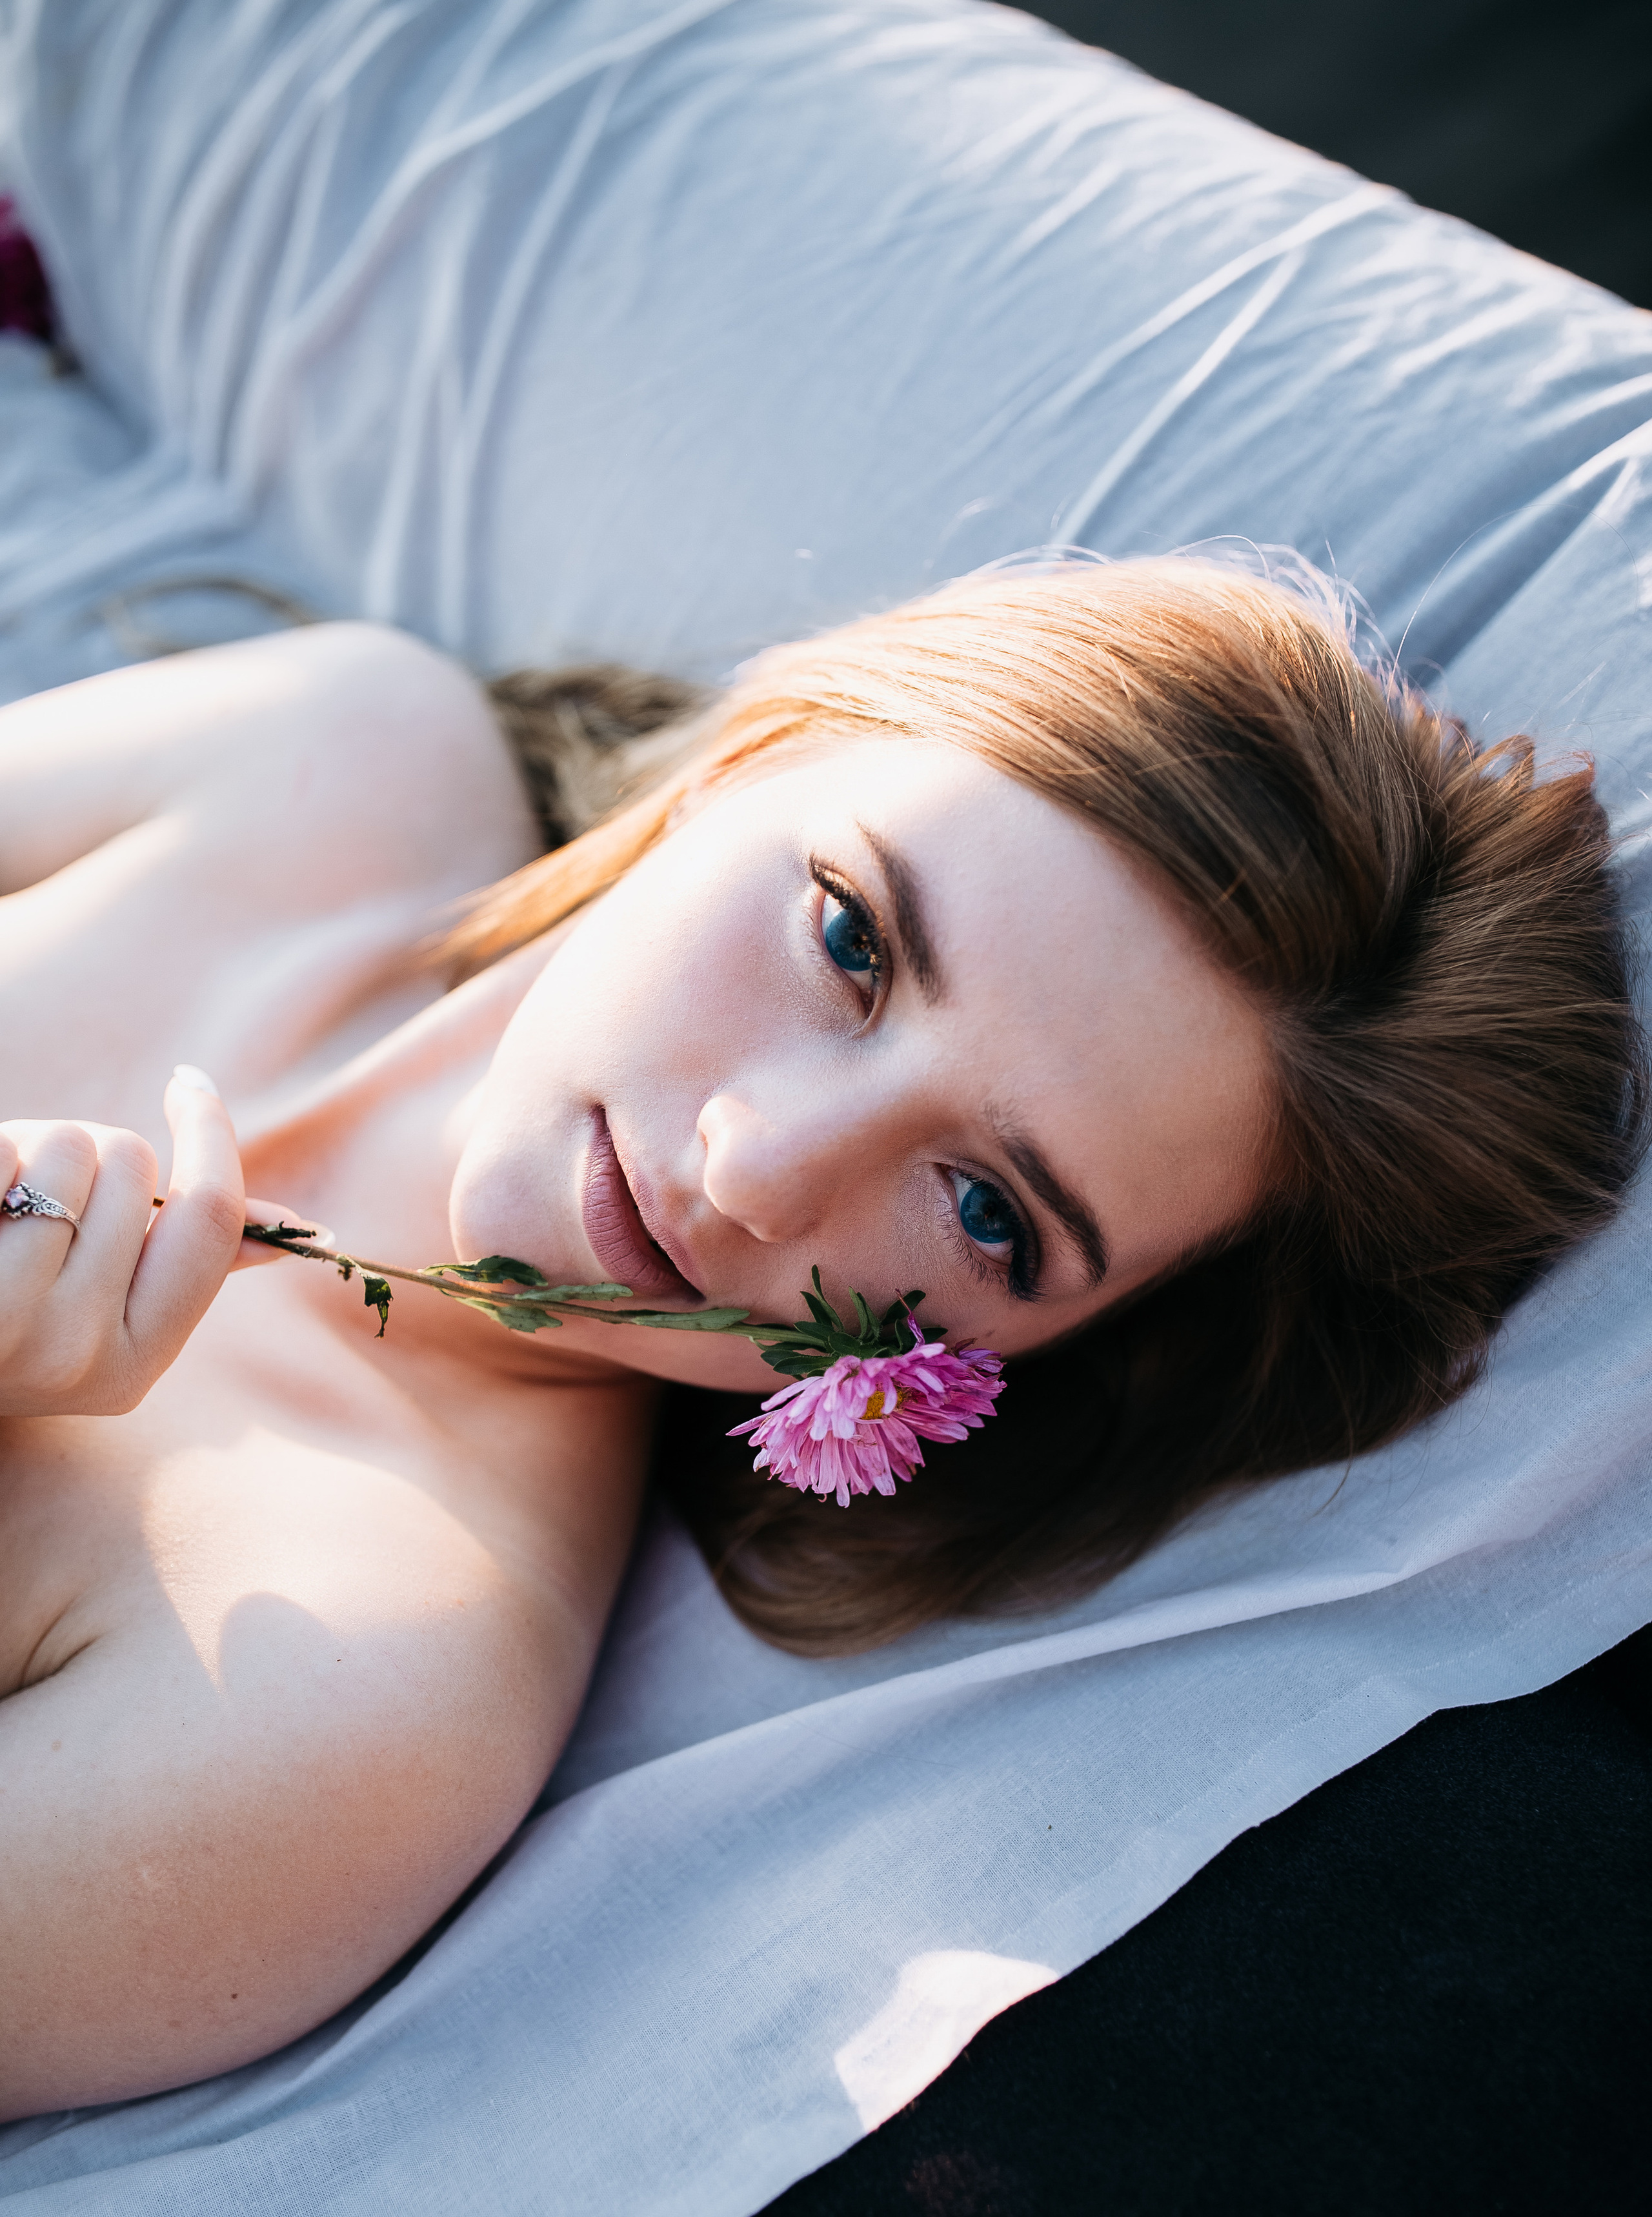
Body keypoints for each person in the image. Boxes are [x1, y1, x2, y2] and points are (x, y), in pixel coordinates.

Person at [0, 556, 1641, 2119]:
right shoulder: (339, 751)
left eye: (986, 1211)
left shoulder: (352, 1705)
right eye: (850, 939)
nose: (753, 1171)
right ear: (754, 758)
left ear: (1038, 1356)